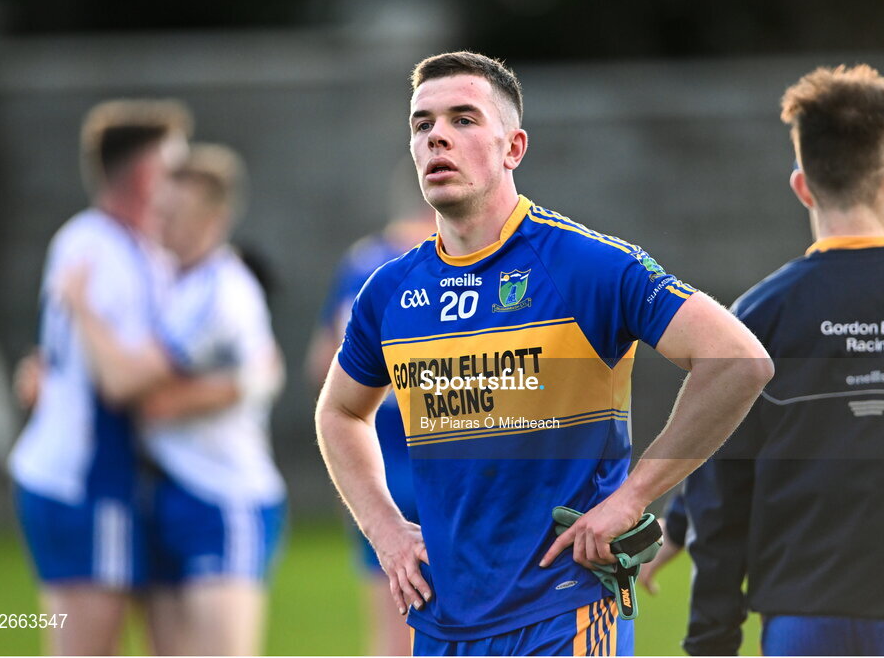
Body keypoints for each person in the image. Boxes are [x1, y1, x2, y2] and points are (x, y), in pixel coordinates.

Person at [315, 50, 772, 656]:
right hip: (440, 623)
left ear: (514, 148)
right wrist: (386, 531)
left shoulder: (587, 266)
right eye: (423, 125)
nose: (438, 138)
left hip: (566, 610)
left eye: (463, 119)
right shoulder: (390, 291)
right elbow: (339, 412)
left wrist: (634, 497)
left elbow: (738, 360)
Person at [683, 65, 884, 655]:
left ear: (803, 186)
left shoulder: (754, 320)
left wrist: (712, 635)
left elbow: (720, 497)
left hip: (805, 620)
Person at [58, 143, 286, 656]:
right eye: (158, 210)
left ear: (215, 219)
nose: (158, 225)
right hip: (166, 495)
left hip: (224, 498)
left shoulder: (218, 292)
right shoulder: (169, 278)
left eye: (174, 215)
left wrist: (81, 309)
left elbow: (131, 391)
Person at [8, 99, 192, 655]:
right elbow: (122, 379)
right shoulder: (103, 250)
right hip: (87, 482)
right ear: (145, 176)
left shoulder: (99, 241)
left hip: (84, 477)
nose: (183, 186)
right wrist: (233, 382)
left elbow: (56, 361)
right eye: (176, 170)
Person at [305, 159, 435, 657]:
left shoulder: (363, 262)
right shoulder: (449, 263)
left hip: (373, 464)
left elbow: (323, 365)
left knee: (392, 633)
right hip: (444, 455)